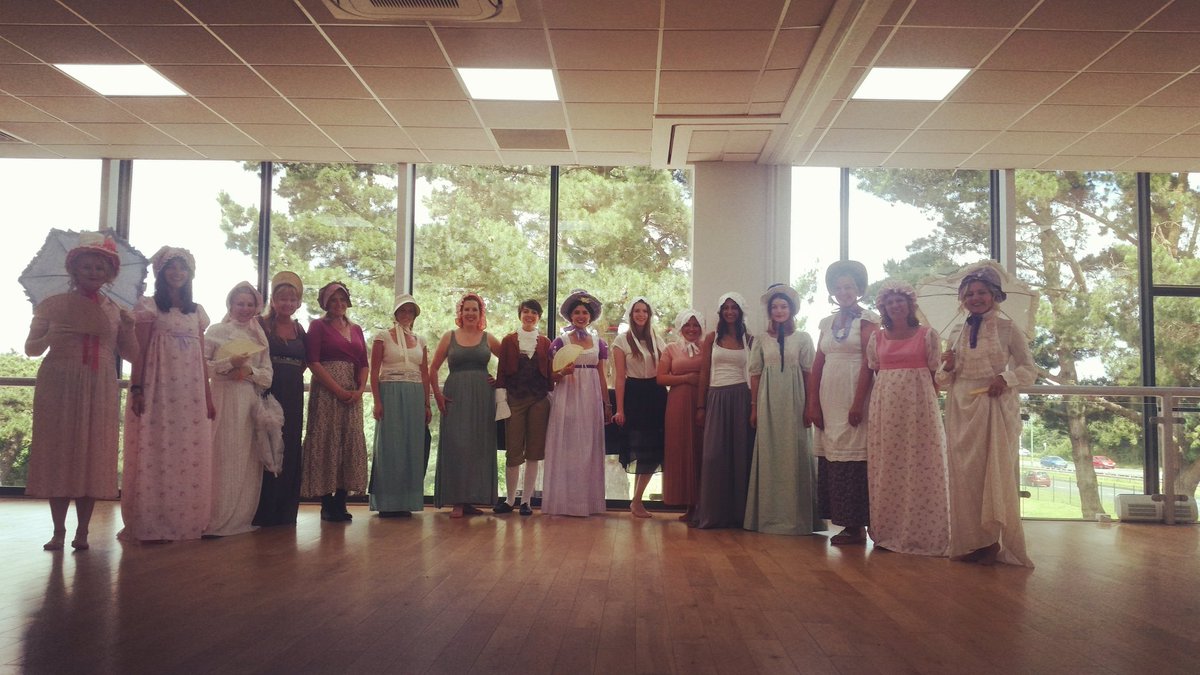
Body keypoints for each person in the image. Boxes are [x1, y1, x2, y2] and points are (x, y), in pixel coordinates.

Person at [24, 233, 138, 550]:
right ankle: (58, 530)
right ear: (73, 269)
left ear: (109, 273)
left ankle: (83, 531)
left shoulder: (116, 309)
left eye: (99, 267)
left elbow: (132, 355)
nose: (93, 272)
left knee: (93, 452)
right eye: (86, 266)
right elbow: (31, 349)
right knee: (59, 452)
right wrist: (50, 334)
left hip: (100, 379)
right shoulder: (52, 304)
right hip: (59, 379)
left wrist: (129, 329)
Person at [938, 262, 1036, 567]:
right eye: (969, 294)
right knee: (965, 476)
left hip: (994, 407)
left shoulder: (1008, 329)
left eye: (981, 292)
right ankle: (971, 540)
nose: (975, 298)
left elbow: (1029, 369)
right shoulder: (957, 332)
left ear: (994, 294)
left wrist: (1004, 379)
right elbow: (943, 381)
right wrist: (948, 365)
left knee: (992, 473)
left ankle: (992, 540)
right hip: (961, 407)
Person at [119, 247, 216, 543]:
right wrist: (137, 388)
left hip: (191, 392)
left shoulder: (196, 312)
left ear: (190, 275)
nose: (177, 273)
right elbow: (139, 352)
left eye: (182, 268)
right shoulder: (148, 307)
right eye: (171, 268)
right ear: (161, 272)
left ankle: (182, 519)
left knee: (187, 453)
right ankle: (151, 521)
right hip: (158, 387)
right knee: (156, 450)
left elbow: (201, 356)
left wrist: (208, 397)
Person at [865, 280, 949, 556]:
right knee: (890, 464)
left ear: (910, 305)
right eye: (890, 302)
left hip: (919, 406)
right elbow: (873, 370)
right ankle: (888, 531)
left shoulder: (927, 335)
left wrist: (927, 402)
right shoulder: (876, 338)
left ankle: (923, 532)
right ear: (884, 308)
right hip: (886, 406)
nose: (895, 306)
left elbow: (937, 375)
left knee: (922, 463)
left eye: (900, 301)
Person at [807, 261, 877, 545]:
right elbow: (817, 364)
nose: (843, 292)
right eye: (838, 287)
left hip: (854, 395)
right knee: (833, 455)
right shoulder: (826, 323)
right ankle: (842, 521)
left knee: (854, 456)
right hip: (829, 396)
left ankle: (857, 524)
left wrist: (858, 403)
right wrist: (813, 403)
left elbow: (869, 364)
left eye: (849, 287)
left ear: (859, 289)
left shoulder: (868, 320)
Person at [744, 283, 816, 536]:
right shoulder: (761, 340)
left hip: (796, 403)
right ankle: (768, 516)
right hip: (769, 403)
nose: (779, 310)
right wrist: (754, 407)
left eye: (783, 306)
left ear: (792, 309)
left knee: (796, 452)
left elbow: (809, 374)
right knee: (770, 453)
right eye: (775, 307)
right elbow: (755, 374)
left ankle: (798, 519)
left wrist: (810, 405)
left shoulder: (804, 338)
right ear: (770, 311)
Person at [204, 281, 273, 537]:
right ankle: (213, 516)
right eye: (239, 303)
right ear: (230, 304)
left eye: (250, 304)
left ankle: (240, 516)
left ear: (256, 307)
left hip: (247, 398)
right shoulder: (217, 330)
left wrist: (249, 371)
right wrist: (227, 363)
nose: (244, 308)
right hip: (221, 396)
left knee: (244, 455)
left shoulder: (258, 335)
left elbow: (267, 376)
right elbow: (202, 365)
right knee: (219, 453)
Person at [301, 281, 368, 523]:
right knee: (327, 440)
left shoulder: (357, 329)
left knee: (347, 441)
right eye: (333, 300)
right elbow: (313, 362)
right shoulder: (318, 326)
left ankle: (341, 500)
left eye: (342, 299)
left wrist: (360, 389)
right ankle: (327, 503)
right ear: (325, 303)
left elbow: (364, 363)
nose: (338, 304)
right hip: (328, 392)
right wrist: (337, 389)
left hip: (352, 392)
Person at [429, 293, 501, 518]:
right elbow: (432, 369)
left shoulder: (488, 338)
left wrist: (500, 380)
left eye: (475, 310)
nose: (470, 313)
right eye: (466, 309)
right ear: (460, 313)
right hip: (455, 395)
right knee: (457, 444)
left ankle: (471, 499)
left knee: (478, 446)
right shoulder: (449, 336)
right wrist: (437, 395)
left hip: (483, 397)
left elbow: (510, 361)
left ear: (481, 314)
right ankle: (458, 501)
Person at [542, 289, 610, 517]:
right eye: (577, 312)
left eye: (585, 313)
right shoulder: (560, 341)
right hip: (568, 396)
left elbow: (602, 375)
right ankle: (564, 502)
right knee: (568, 447)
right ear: (570, 316)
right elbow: (550, 376)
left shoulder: (598, 343)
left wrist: (606, 404)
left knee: (588, 448)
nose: (581, 316)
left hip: (590, 398)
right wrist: (562, 371)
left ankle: (586, 503)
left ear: (590, 317)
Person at [693, 292, 755, 529]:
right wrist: (701, 406)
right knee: (713, 457)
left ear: (740, 312)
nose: (730, 311)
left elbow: (753, 373)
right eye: (726, 308)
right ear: (720, 312)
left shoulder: (748, 339)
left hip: (741, 396)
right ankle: (712, 514)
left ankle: (738, 515)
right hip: (717, 397)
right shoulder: (712, 338)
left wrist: (753, 406)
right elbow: (704, 373)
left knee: (740, 455)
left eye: (734, 308)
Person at [252, 271, 307, 527]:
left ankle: (285, 511)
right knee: (266, 441)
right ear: (273, 301)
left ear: (298, 303)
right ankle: (263, 509)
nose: (287, 303)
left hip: (294, 391)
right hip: (268, 389)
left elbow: (305, 361)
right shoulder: (261, 324)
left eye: (292, 299)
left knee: (291, 444)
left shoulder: (299, 329)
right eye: (282, 298)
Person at [369, 294, 431, 517]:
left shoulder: (421, 340)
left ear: (415, 315)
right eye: (402, 311)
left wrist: (427, 403)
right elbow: (374, 371)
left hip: (414, 395)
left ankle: (407, 501)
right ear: (395, 313)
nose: (406, 315)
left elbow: (424, 374)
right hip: (391, 392)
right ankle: (387, 502)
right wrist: (377, 401)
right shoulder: (382, 336)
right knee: (390, 445)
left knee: (411, 446)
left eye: (410, 311)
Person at [494, 299, 554, 515]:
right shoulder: (509, 341)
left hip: (539, 400)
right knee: (513, 449)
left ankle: (526, 501)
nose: (529, 315)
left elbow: (550, 373)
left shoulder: (546, 342)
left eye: (534, 312)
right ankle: (510, 500)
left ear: (539, 317)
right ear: (520, 314)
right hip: (515, 399)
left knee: (534, 452)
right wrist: (502, 400)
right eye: (526, 311)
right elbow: (501, 373)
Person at [612, 296, 667, 518]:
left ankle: (637, 501)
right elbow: (620, 378)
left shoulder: (657, 339)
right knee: (641, 449)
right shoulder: (621, 341)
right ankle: (636, 502)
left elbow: (666, 367)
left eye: (644, 311)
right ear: (631, 314)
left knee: (653, 451)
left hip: (656, 395)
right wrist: (620, 409)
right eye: (637, 311)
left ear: (649, 314)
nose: (641, 314)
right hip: (635, 395)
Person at [657, 309, 705, 522]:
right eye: (687, 325)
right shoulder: (671, 348)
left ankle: (703, 505)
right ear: (680, 327)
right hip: (677, 404)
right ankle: (687, 504)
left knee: (701, 449)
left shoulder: (708, 348)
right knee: (680, 449)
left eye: (696, 325)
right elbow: (661, 378)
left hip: (703, 402)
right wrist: (686, 378)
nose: (692, 329)